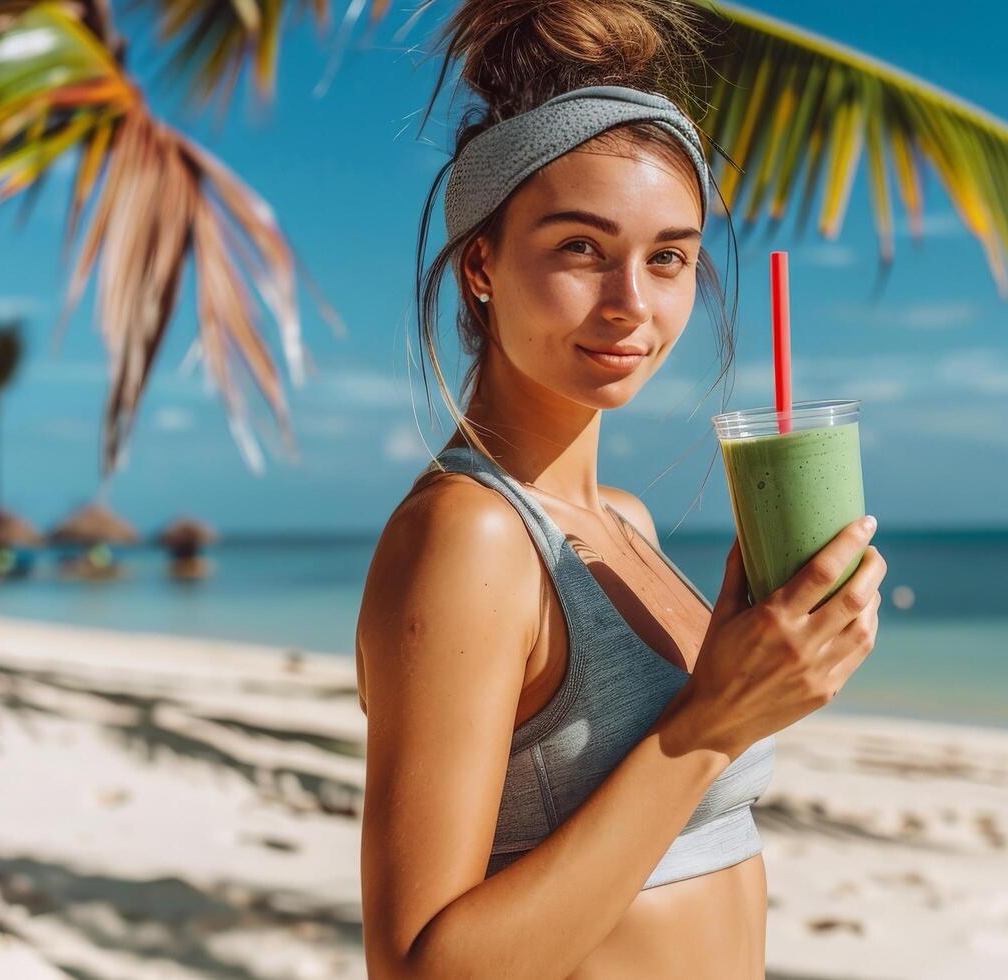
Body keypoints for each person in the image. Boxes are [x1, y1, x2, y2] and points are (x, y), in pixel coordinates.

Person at [354, 2, 886, 976]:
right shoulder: (471, 536)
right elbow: (418, 965)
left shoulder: (622, 523)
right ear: (482, 262)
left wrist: (785, 665)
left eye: (668, 256)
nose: (633, 304)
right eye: (581, 248)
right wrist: (710, 723)